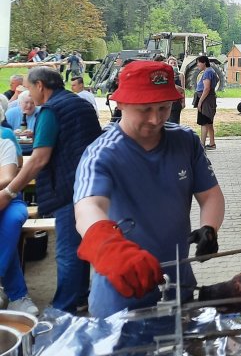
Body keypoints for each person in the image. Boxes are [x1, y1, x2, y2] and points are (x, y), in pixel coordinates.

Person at [74, 61, 225, 318]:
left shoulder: (186, 141)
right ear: (120, 104)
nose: (155, 119)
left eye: (164, 108)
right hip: (119, 296)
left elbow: (210, 195)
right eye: (145, 109)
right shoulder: (102, 153)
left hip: (179, 286)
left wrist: (209, 227)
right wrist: (110, 249)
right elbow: (88, 207)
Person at [0, 67, 102, 313]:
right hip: (93, 185)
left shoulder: (51, 110)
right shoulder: (80, 104)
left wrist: (10, 192)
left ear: (41, 86)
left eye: (28, 87)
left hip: (68, 188)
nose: (27, 93)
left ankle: (62, 310)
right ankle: (79, 297)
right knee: (80, 248)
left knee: (67, 252)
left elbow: (38, 159)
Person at [0, 106, 38, 315]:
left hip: (10, 197)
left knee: (13, 220)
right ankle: (18, 296)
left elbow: (7, 178)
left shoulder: (4, 141)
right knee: (5, 232)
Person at [193, 56, 218, 149]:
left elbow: (206, 88)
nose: (197, 65)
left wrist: (200, 102)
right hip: (209, 98)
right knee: (209, 121)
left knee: (204, 121)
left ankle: (202, 145)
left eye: (198, 62)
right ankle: (212, 143)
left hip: (206, 99)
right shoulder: (211, 71)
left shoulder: (207, 72)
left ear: (204, 62)